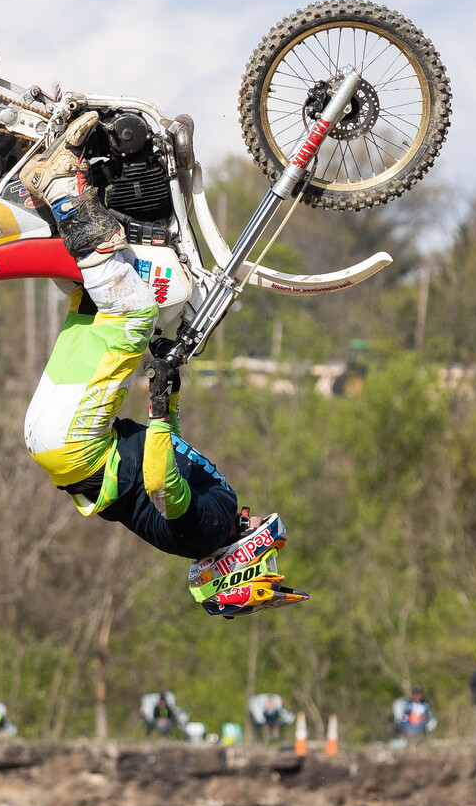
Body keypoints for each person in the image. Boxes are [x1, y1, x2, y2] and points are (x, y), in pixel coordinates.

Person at [18, 112, 301, 617]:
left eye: (267, 565)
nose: (268, 548)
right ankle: (18, 180)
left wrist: (161, 408)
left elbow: (160, 484)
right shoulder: (199, 536)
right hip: (57, 446)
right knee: (95, 295)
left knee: (134, 308)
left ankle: (59, 188)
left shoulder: (212, 529)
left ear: (243, 571)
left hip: (80, 445)